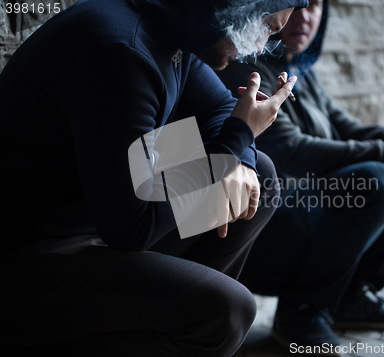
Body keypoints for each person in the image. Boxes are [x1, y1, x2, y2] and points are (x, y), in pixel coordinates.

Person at [0, 0, 308, 356]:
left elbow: (222, 108)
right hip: (26, 261)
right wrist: (237, 138)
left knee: (261, 180)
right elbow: (132, 226)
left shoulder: (174, 29)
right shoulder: (121, 51)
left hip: (91, 221)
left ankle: (167, 322)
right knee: (226, 310)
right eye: (268, 28)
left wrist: (242, 158)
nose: (260, 48)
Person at [218, 0, 384, 354]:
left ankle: (348, 297)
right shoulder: (247, 68)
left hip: (301, 219)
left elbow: (349, 131)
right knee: (376, 182)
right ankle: (302, 310)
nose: (305, 16)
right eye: (296, 5)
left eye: (315, 7)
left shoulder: (300, 72)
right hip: (257, 230)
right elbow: (292, 151)